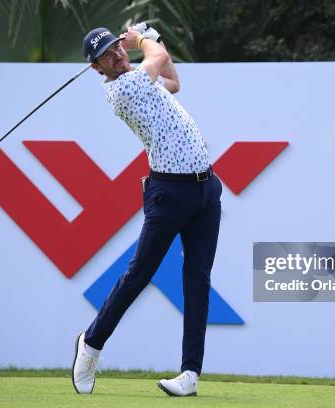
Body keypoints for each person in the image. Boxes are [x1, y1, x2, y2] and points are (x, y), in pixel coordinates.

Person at [72, 23, 222, 397]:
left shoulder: (144, 81)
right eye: (107, 54)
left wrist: (152, 40)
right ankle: (90, 345)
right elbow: (158, 58)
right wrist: (140, 39)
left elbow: (172, 78)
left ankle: (190, 374)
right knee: (139, 274)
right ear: (97, 68)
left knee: (198, 280)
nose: (117, 55)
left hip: (206, 191)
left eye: (116, 48)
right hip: (168, 194)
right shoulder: (122, 88)